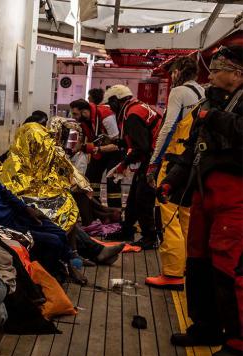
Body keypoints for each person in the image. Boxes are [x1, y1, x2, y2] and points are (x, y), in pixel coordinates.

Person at [162, 45, 243, 356]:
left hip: (236, 196)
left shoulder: (216, 109)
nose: (212, 74)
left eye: (219, 68)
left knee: (229, 265)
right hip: (203, 191)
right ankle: (206, 325)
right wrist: (172, 179)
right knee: (197, 260)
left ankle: (237, 338)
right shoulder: (206, 103)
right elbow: (193, 149)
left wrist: (216, 118)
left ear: (237, 73)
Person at [145, 57, 204, 290]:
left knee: (167, 216)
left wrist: (153, 162)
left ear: (178, 71)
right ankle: (191, 266)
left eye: (171, 73)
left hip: (174, 161)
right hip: (193, 163)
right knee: (189, 216)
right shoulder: (203, 91)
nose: (171, 77)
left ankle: (171, 272)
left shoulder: (179, 91)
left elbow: (168, 127)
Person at [103, 84, 163, 249]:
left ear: (116, 101)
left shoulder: (132, 115)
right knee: (133, 198)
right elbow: (140, 139)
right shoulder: (138, 108)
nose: (110, 109)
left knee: (143, 198)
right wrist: (117, 142)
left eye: (110, 104)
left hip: (154, 160)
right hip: (153, 157)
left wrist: (124, 163)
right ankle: (127, 229)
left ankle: (150, 237)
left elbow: (141, 147)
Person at [70, 98, 124, 209]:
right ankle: (95, 210)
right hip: (99, 150)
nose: (73, 117)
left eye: (75, 114)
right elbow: (82, 139)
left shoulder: (105, 115)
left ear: (84, 111)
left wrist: (97, 149)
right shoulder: (85, 121)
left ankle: (115, 213)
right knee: (91, 178)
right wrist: (71, 151)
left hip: (115, 152)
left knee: (112, 182)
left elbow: (117, 143)